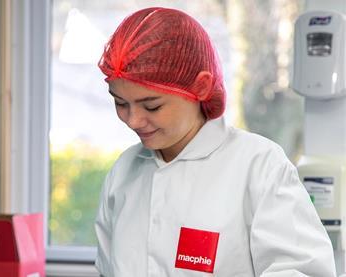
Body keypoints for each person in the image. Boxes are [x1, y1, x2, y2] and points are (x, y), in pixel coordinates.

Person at [94, 7, 336, 277]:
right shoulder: (124, 171)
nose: (133, 120)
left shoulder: (258, 166)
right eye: (120, 103)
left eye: (151, 106)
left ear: (200, 87)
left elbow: (303, 271)